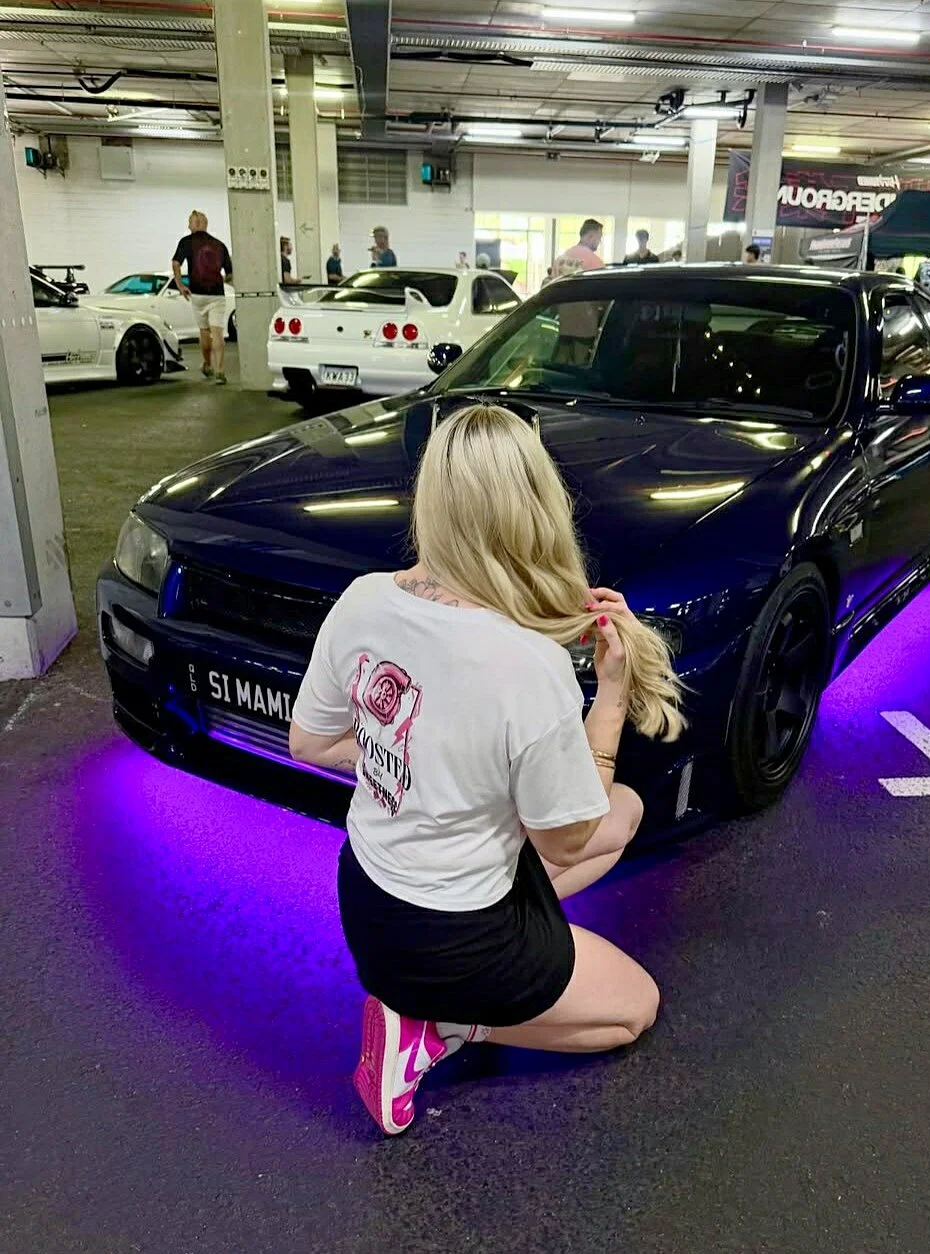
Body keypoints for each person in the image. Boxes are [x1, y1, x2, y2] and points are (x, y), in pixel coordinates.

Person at [289, 403, 683, 1137]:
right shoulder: (526, 665)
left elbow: (308, 745)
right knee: (635, 1009)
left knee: (625, 811)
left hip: (367, 898)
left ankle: (445, 996)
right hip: (452, 942)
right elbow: (569, 839)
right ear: (535, 505)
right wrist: (615, 694)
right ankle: (440, 1030)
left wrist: (415, 769)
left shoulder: (364, 598)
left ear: (431, 496)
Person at [171, 210, 232, 386]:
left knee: (204, 332)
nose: (189, 225)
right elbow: (229, 273)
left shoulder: (186, 242)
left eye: (190, 222)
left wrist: (181, 285)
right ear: (205, 224)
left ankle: (207, 364)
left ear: (194, 224)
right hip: (217, 295)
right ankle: (220, 370)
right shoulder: (220, 245)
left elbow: (176, 263)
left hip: (197, 295)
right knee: (218, 332)